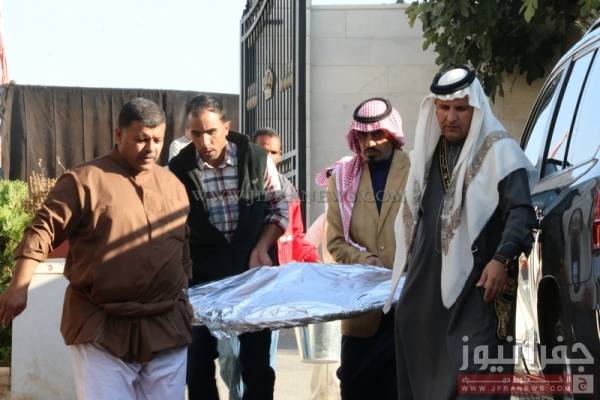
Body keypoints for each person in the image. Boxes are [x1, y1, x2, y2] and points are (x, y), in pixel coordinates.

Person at [0, 98, 193, 400]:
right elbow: (42, 230)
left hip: (166, 324)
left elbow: (182, 248)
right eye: (141, 139)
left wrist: (184, 293)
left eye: (158, 140)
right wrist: (19, 287)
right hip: (101, 325)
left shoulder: (173, 185)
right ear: (118, 135)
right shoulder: (84, 180)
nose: (150, 148)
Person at [386, 66, 536, 399]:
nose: (450, 117)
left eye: (460, 108)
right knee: (423, 377)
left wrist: (501, 259)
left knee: (476, 376)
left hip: (478, 288)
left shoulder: (500, 152)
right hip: (426, 291)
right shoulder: (426, 154)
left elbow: (521, 213)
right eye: (443, 108)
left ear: (476, 109)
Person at [168, 95, 288, 400]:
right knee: (196, 366)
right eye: (196, 134)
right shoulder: (178, 170)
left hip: (251, 276)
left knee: (257, 366)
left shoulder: (256, 158)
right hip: (201, 279)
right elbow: (171, 229)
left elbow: (278, 209)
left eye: (211, 132)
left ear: (226, 127)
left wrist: (262, 247)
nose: (204, 141)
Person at [326, 97, 409, 399]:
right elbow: (335, 242)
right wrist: (364, 260)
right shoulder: (341, 179)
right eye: (362, 136)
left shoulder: (418, 170)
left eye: (377, 134)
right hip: (362, 313)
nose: (370, 143)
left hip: (406, 309)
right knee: (356, 389)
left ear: (392, 133)